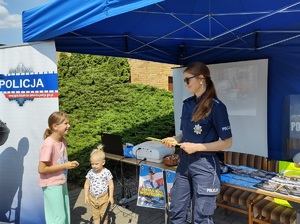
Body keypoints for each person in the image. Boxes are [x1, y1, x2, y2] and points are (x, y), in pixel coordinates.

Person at [162, 61, 232, 224]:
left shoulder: (216, 107)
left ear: (201, 79)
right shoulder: (187, 105)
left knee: (202, 217)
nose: (185, 84)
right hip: (184, 164)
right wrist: (175, 139)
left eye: (188, 80)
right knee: (177, 212)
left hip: (205, 166)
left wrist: (197, 147)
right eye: (184, 80)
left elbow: (227, 142)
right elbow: (184, 134)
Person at [38, 111, 80, 224]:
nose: (69, 126)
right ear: (55, 126)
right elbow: (41, 169)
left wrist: (69, 164)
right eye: (66, 123)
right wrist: (64, 166)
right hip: (52, 185)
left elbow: (59, 162)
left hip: (61, 182)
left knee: (65, 216)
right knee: (58, 219)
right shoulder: (48, 144)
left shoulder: (62, 141)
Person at [84, 145, 114, 224]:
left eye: (96, 164)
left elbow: (111, 184)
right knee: (95, 216)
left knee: (104, 216)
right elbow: (87, 184)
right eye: (92, 164)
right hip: (92, 198)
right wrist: (86, 196)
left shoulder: (106, 172)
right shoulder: (91, 172)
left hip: (103, 198)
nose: (94, 166)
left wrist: (111, 196)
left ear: (103, 162)